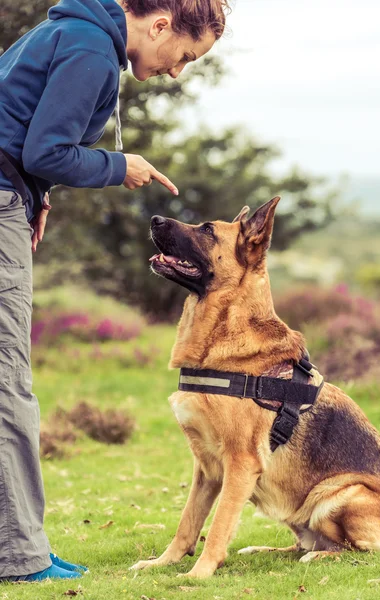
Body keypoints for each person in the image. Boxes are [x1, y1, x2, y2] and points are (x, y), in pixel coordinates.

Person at [0, 0, 229, 582]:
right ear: (159, 25)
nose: (177, 70)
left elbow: (19, 127)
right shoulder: (90, 51)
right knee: (8, 383)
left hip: (10, 194)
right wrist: (117, 166)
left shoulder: (69, 32)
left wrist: (37, 195)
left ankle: (21, 545)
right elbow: (44, 150)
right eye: (185, 55)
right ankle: (20, 558)